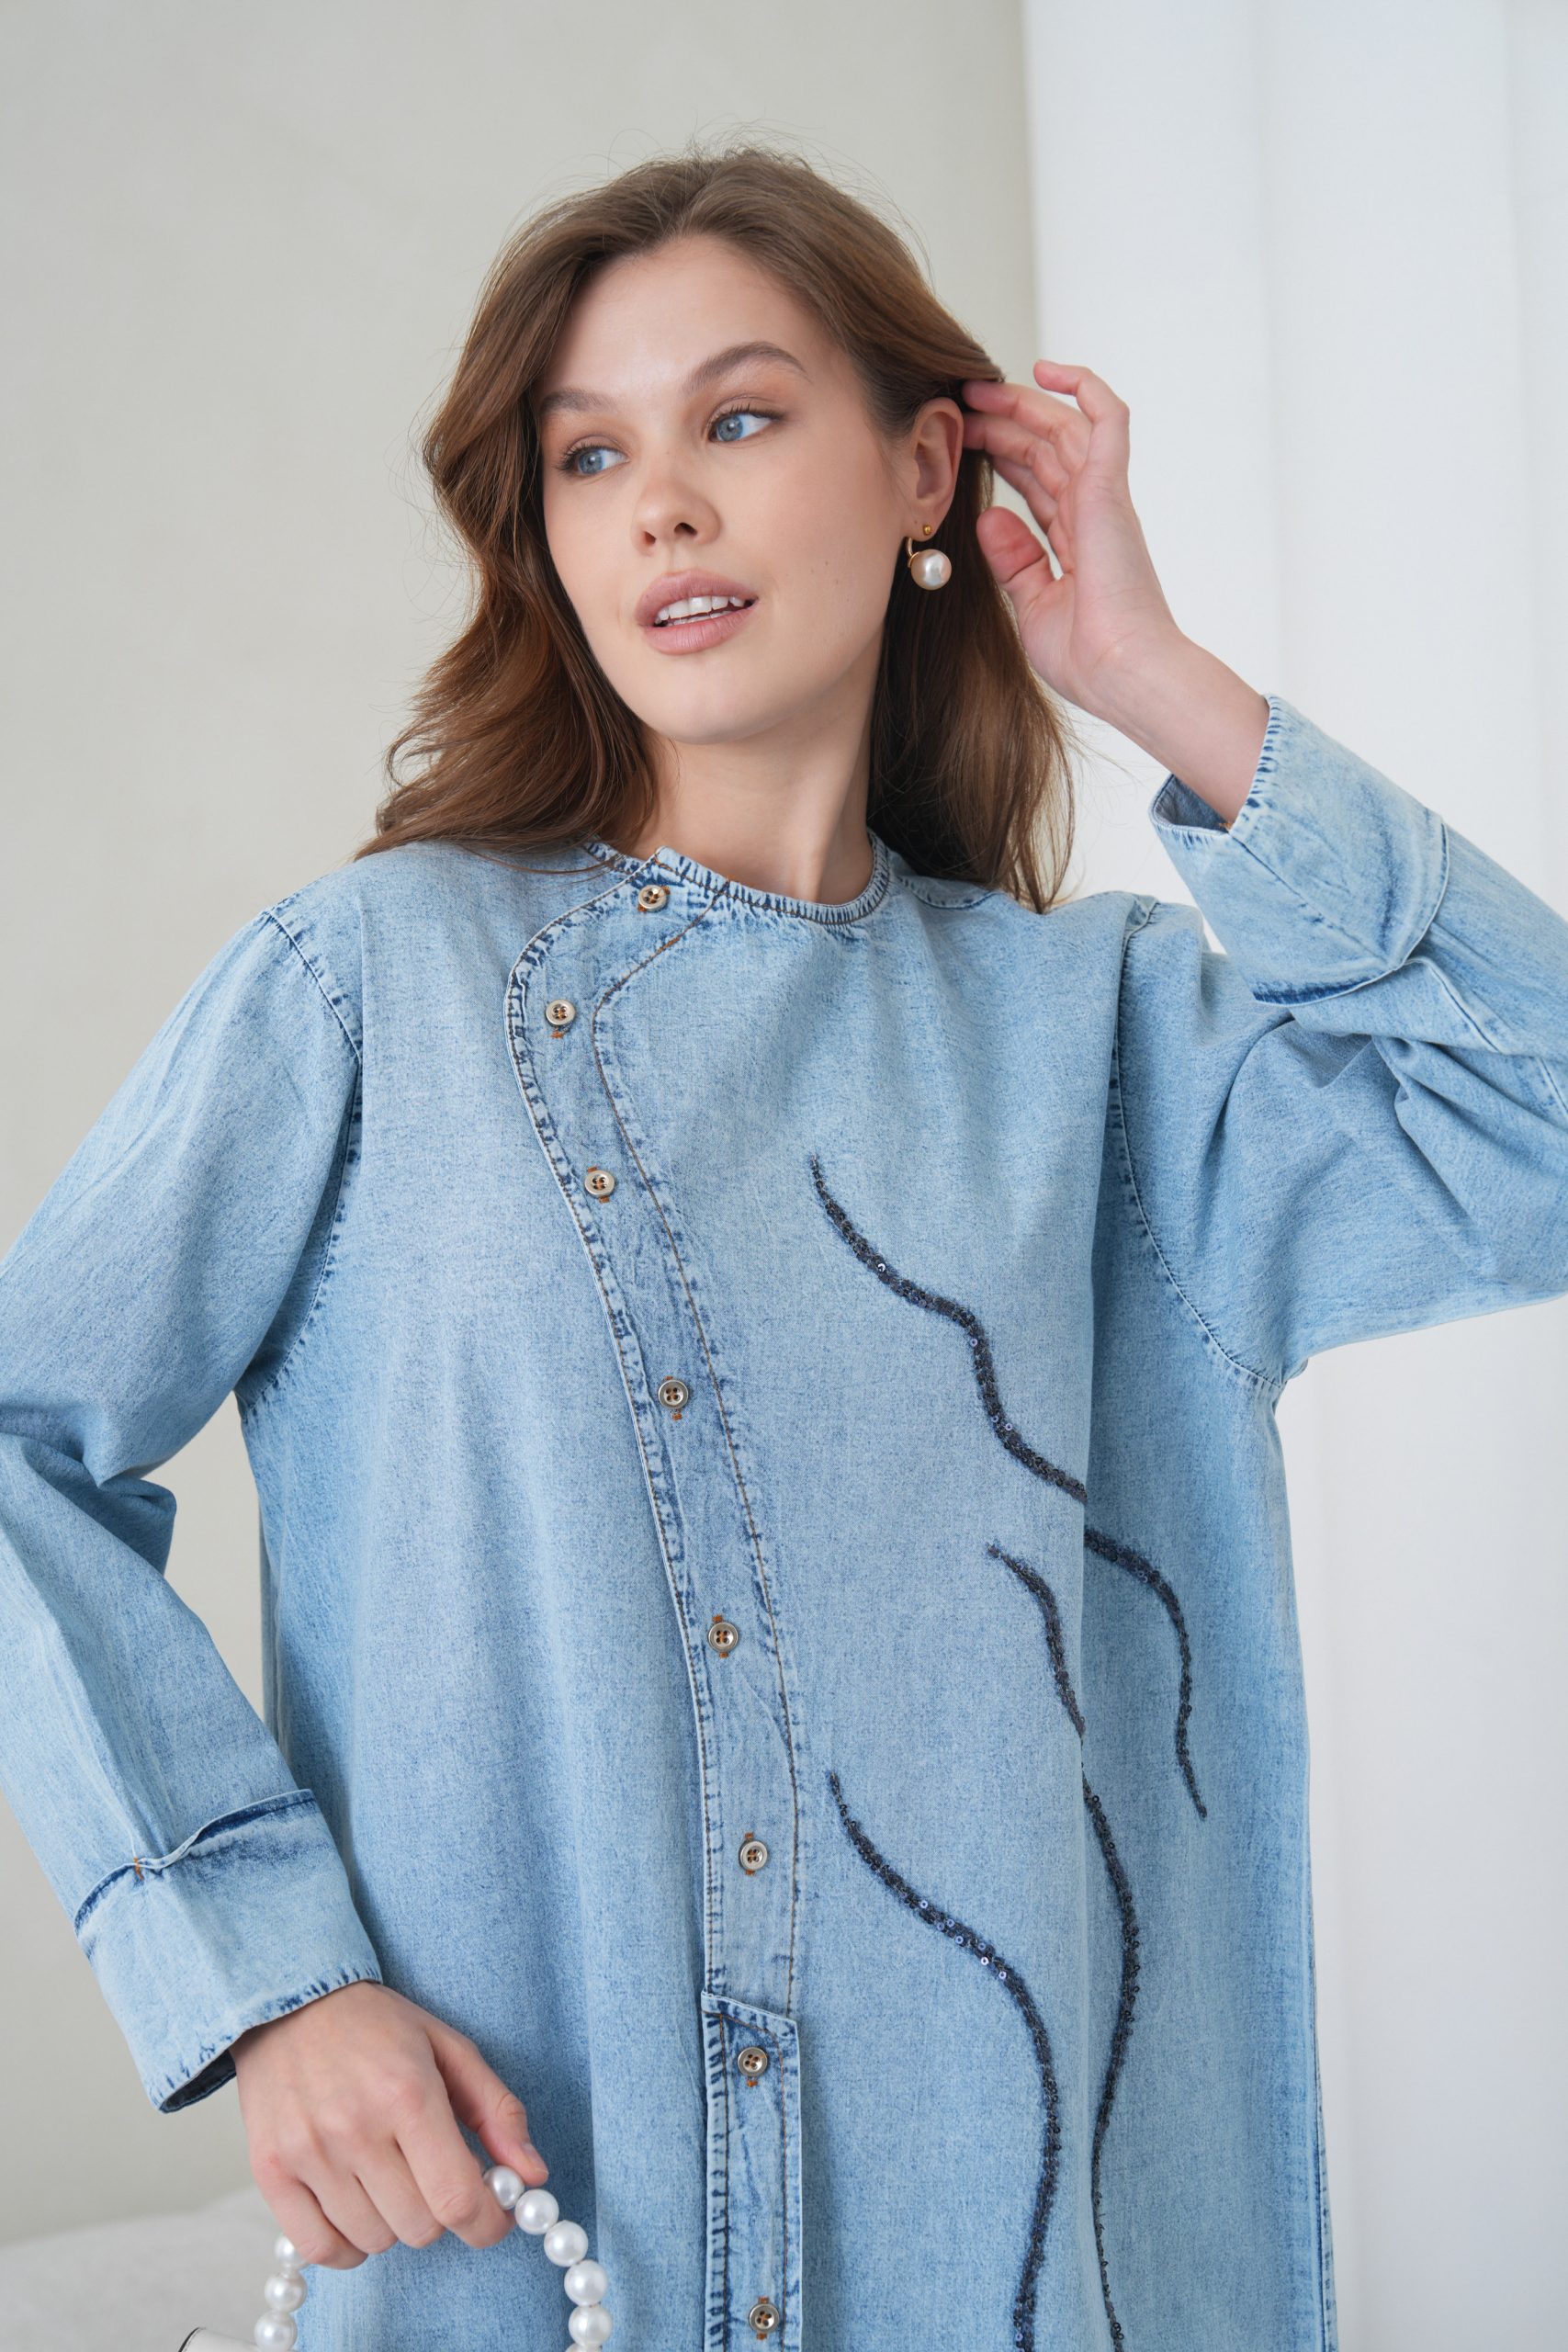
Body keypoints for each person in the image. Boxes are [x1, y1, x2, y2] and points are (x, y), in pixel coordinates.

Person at [2, 139, 1565, 2352]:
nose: (660, 505)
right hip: (519, 2261)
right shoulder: (367, 988)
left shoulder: (1105, 1048)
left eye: (736, 418)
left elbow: (1536, 1117)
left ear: (925, 467)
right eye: (588, 455)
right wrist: (266, 1975)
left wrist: (1143, 671)